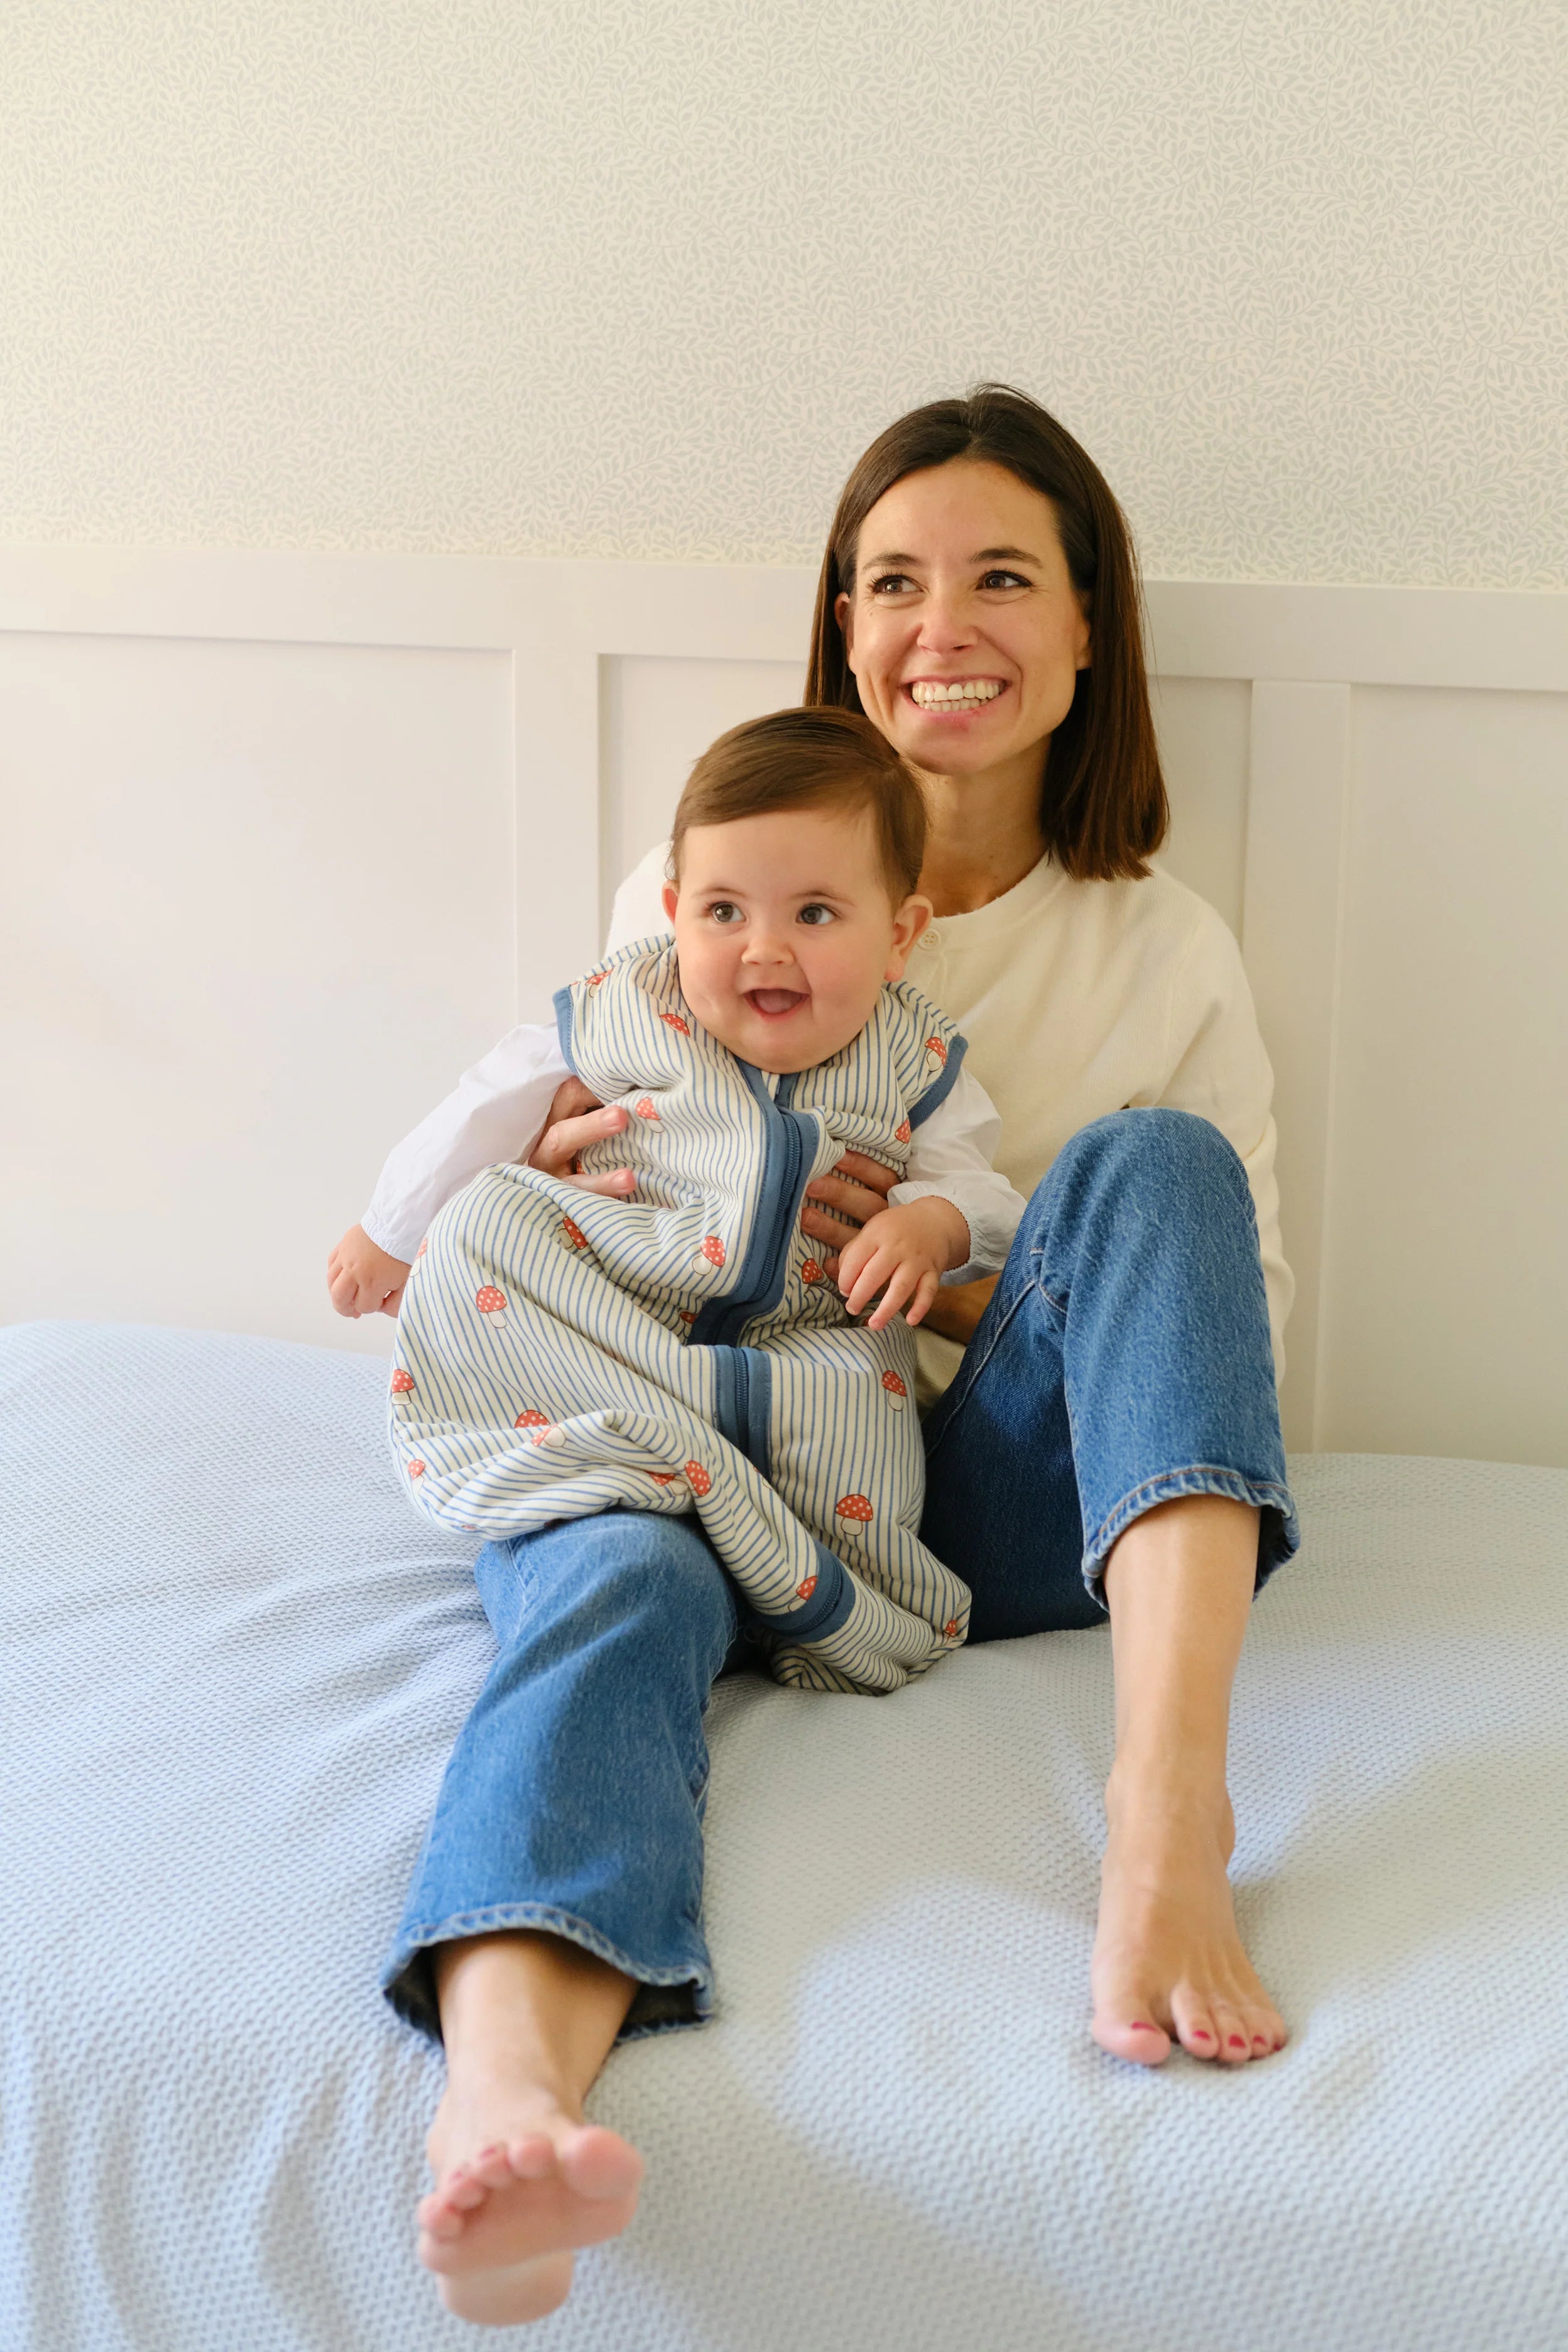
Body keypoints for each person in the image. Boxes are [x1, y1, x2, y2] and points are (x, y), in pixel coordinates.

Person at [328, 384, 1298, 2331]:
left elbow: (1226, 1328)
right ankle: (504, 2107)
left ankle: (1164, 1827)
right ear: (841, 626)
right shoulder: (692, 891)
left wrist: (938, 1279)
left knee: (1154, 1164)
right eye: (891, 582)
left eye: (1004, 577)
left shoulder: (1159, 943)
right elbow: (553, 1112)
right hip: (692, 1438)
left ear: (1091, 626)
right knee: (599, 1582)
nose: (943, 624)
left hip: (977, 1490)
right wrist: (538, 1179)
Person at [375, 706, 1028, 1696]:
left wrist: (930, 1226)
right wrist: (390, 1230)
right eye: (724, 913)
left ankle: (801, 1590)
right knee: (491, 1211)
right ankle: (639, 1468)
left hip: (817, 1350)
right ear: (675, 913)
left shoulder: (915, 1057)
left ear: (899, 937)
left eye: (813, 915)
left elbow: (983, 1191)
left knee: (859, 1432)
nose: (762, 949)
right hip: (629, 1316)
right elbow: (493, 1097)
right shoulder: (632, 1003)